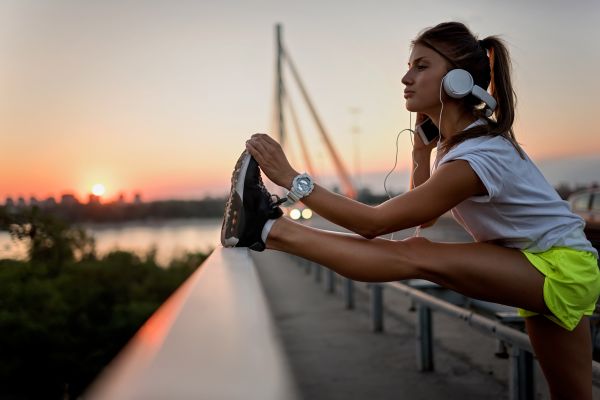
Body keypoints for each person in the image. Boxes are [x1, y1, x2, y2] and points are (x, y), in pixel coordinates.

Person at [220, 21, 600, 399]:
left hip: (558, 267)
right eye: (409, 65)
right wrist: (422, 151)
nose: (406, 77)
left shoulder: (479, 157)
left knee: (418, 253)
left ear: (457, 81)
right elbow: (426, 217)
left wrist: (291, 178)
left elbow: (375, 224)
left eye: (421, 66)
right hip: (550, 263)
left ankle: (269, 230)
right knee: (572, 394)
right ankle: (267, 230)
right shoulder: (460, 149)